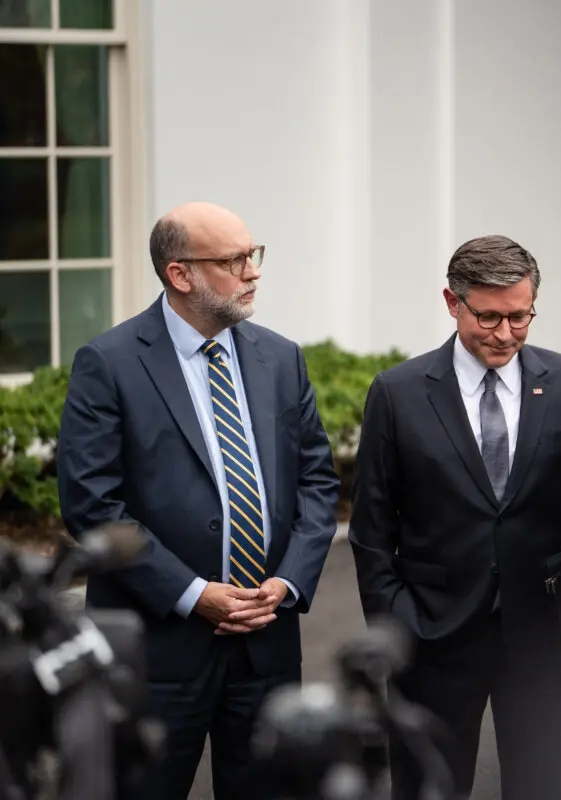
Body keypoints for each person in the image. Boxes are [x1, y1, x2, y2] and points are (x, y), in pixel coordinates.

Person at [56, 201, 341, 799]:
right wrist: (193, 595)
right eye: (236, 260)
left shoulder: (280, 358)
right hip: (159, 651)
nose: (253, 271)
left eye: (253, 255)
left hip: (266, 643)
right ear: (180, 274)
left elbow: (317, 483)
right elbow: (92, 506)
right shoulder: (108, 363)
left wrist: (288, 581)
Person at [348, 235, 561, 800]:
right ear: (453, 304)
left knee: (539, 783)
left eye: (520, 317)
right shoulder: (398, 393)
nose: (505, 334)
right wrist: (395, 625)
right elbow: (371, 528)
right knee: (428, 786)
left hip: (545, 632)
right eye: (488, 317)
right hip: (432, 635)